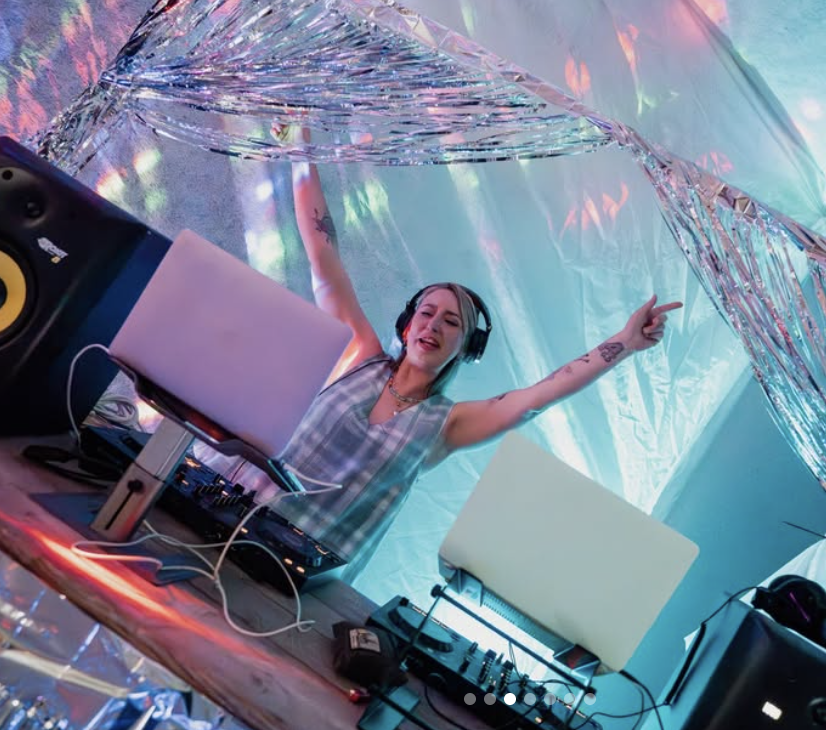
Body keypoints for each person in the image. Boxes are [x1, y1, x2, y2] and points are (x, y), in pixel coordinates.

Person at [271, 127, 682, 580]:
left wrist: (624, 343)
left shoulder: (446, 425)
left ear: (466, 349)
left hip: (302, 573)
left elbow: (538, 397)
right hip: (236, 505)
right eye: (427, 314)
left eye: (452, 323)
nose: (434, 326)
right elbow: (323, 259)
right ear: (407, 327)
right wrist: (300, 155)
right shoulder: (359, 356)